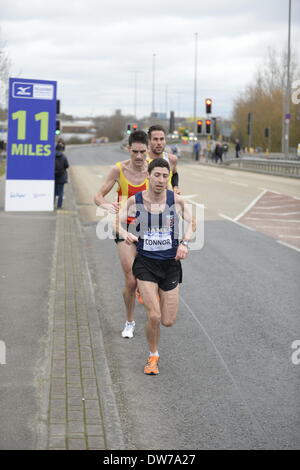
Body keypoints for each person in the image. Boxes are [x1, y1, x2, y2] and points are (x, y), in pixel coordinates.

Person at [116, 158, 195, 375]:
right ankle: (153, 356)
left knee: (168, 321)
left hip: (170, 265)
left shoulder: (176, 200)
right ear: (148, 176)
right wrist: (125, 234)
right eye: (157, 175)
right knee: (154, 316)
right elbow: (115, 222)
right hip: (146, 264)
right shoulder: (135, 200)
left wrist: (185, 243)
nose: (161, 180)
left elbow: (193, 222)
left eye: (165, 176)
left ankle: (157, 297)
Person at [94, 130, 149, 339]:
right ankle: (129, 321)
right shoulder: (118, 170)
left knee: (149, 277)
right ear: (128, 149)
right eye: (134, 151)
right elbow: (97, 196)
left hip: (147, 228)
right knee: (131, 279)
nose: (138, 157)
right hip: (124, 227)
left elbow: (165, 194)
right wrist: (107, 205)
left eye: (142, 152)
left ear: (147, 151)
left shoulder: (152, 170)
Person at [147, 125, 180, 194]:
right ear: (149, 141)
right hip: (147, 201)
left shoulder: (172, 159)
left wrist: (175, 187)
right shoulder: (142, 160)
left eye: (161, 139)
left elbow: (174, 174)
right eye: (155, 139)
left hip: (166, 202)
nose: (159, 143)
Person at [54, 143, 69, 209]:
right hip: (62, 176)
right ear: (61, 149)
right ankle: (59, 206)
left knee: (53, 191)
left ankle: (51, 204)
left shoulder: (52, 156)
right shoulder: (63, 156)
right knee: (60, 192)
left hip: (53, 176)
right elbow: (67, 165)